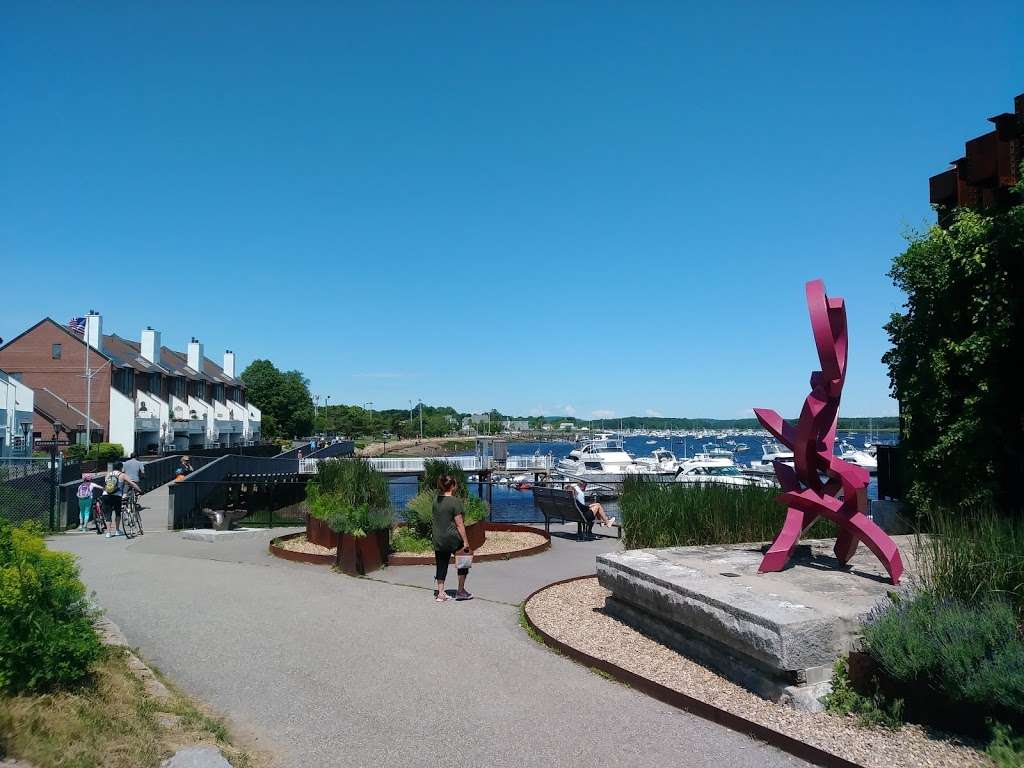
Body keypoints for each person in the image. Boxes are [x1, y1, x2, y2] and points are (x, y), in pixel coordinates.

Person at [432, 475, 472, 602]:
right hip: (453, 539)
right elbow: (459, 524)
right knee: (463, 562)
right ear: (453, 485)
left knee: (441, 565)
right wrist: (465, 542)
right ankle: (460, 591)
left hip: (439, 538)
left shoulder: (436, 500)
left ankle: (441, 594)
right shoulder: (455, 502)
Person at [101, 461, 143, 538]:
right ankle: (117, 530)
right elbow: (132, 483)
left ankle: (108, 533)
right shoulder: (122, 475)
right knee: (117, 513)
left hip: (106, 495)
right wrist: (140, 490)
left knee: (108, 514)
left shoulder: (108, 475)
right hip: (117, 496)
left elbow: (107, 485)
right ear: (121, 467)